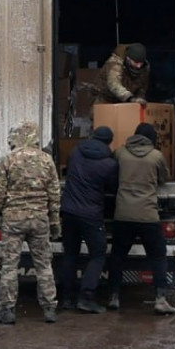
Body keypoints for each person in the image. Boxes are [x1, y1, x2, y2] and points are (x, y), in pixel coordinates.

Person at [0, 121, 61, 324]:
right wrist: (55, 221)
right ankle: (49, 308)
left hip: (13, 219)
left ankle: (8, 309)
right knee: (44, 265)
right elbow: (54, 194)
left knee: (10, 266)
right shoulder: (47, 160)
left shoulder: (7, 160)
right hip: (39, 219)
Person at [108, 122, 175, 314]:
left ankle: (114, 296)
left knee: (117, 257)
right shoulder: (156, 156)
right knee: (158, 256)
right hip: (148, 215)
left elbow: (113, 174)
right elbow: (164, 178)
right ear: (151, 138)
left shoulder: (120, 153)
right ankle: (160, 299)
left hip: (123, 214)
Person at [57, 125, 119, 314]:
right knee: (98, 254)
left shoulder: (75, 152)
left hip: (68, 211)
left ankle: (66, 298)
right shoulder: (110, 164)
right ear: (109, 142)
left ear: (92, 136)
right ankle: (86, 297)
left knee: (70, 254)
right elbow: (113, 188)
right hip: (91, 214)